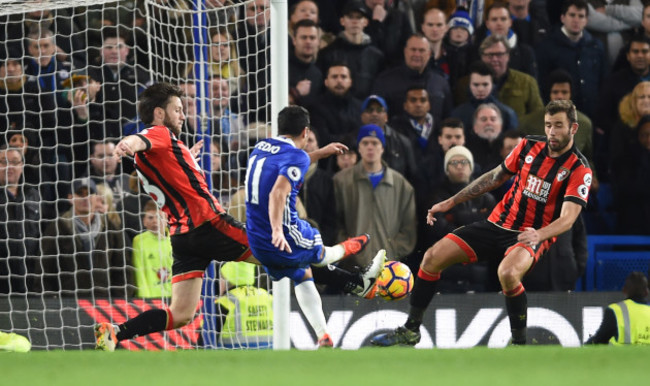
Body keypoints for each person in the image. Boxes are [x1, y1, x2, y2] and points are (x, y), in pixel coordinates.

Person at [371, 100, 593, 346]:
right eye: (548, 125)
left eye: (559, 126)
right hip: (497, 224)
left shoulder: (579, 169)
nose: (552, 132)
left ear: (573, 128)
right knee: (432, 257)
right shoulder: (529, 145)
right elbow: (496, 177)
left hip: (530, 234)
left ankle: (519, 342)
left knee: (508, 274)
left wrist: (539, 235)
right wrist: (451, 202)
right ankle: (411, 329)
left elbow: (568, 218)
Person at [94, 82, 258, 351]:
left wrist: (187, 158)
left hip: (182, 237)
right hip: (207, 223)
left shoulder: (156, 156)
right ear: (160, 113)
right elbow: (141, 139)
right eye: (178, 109)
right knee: (279, 254)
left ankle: (115, 332)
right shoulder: (159, 133)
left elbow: (165, 172)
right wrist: (127, 143)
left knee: (180, 314)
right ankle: (349, 280)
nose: (183, 115)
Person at [244, 106, 386, 347]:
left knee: (302, 273)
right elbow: (278, 192)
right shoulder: (296, 157)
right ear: (306, 132)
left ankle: (323, 335)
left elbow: (290, 162)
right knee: (318, 250)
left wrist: (319, 153)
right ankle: (350, 253)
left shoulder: (262, 146)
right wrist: (278, 229)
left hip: (256, 241)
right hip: (282, 234)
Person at [333, 124, 416, 273]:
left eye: (375, 143)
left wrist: (393, 249)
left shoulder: (401, 185)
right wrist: (347, 249)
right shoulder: (341, 181)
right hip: (351, 267)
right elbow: (335, 222)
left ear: (382, 148)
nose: (370, 147)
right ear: (359, 148)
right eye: (365, 143)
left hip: (389, 269)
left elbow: (409, 227)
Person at [421, 145, 496, 293]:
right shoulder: (436, 198)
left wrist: (456, 217)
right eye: (454, 163)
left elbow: (491, 232)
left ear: (471, 166)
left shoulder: (486, 198)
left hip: (478, 277)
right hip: (446, 277)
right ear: (446, 168)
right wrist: (475, 219)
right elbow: (439, 231)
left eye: (464, 162)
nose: (460, 166)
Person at [0, 147, 41, 294]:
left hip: (29, 276)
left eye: (14, 162)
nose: (9, 167)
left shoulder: (33, 195)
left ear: (22, 166)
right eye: (3, 162)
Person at [207, 261, 273, 349]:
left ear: (228, 280)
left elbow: (207, 338)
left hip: (231, 357)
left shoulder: (225, 302)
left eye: (221, 278)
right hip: (270, 355)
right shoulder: (268, 297)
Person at [585, 271, 650, 345]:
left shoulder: (616, 310)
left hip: (624, 356)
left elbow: (600, 339)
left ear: (624, 290)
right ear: (646, 292)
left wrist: (585, 345)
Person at [132, 199, 173, 298]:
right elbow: (139, 273)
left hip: (175, 297)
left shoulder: (175, 239)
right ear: (144, 221)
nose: (155, 221)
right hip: (151, 298)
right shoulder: (139, 241)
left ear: (166, 219)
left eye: (159, 217)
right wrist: (144, 298)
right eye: (150, 218)